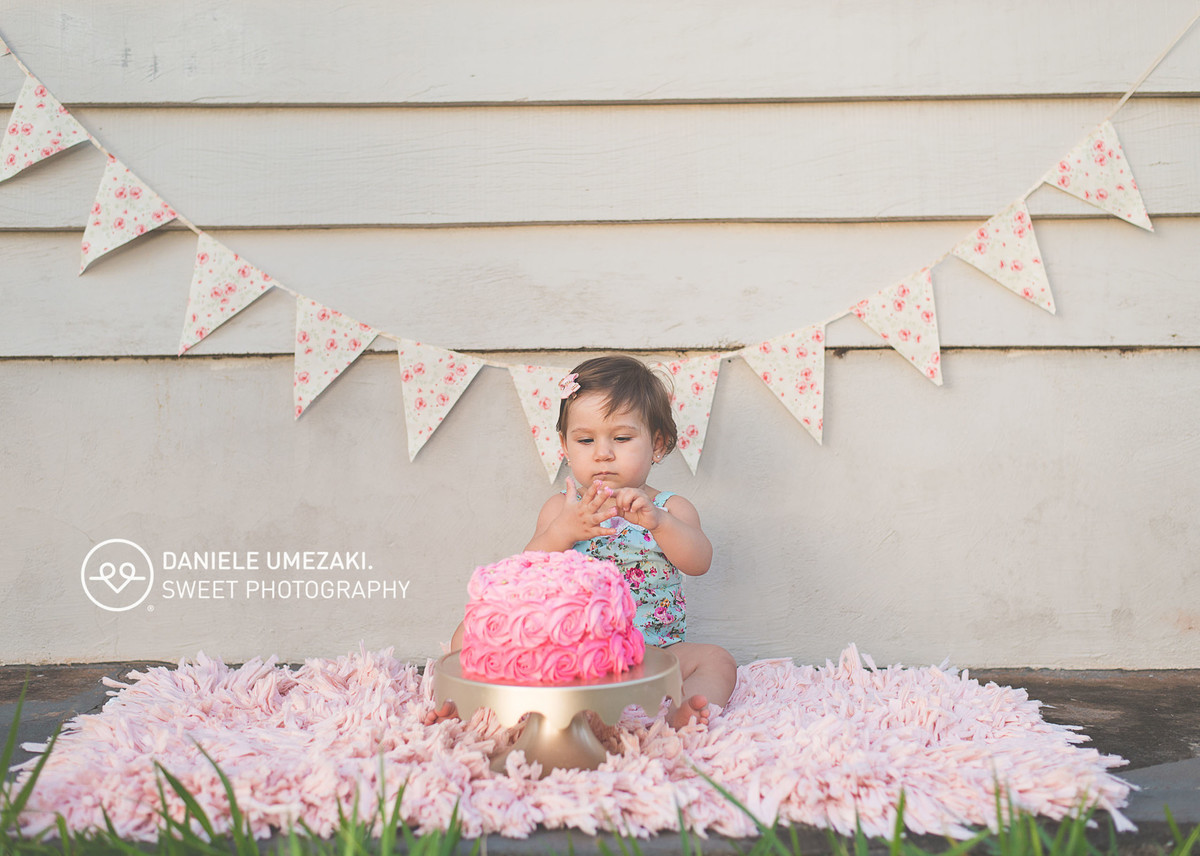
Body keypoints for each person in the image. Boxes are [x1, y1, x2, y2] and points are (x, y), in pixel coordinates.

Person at [428, 355, 738, 729]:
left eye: (622, 438)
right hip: (572, 650)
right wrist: (565, 530)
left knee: (717, 660)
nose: (602, 452)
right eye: (586, 440)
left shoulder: (668, 507)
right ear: (565, 445)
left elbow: (699, 561)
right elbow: (524, 572)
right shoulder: (562, 508)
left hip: (653, 650)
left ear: (657, 444)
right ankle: (460, 706)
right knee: (469, 633)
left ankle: (681, 714)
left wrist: (660, 523)